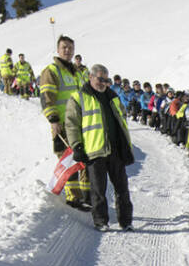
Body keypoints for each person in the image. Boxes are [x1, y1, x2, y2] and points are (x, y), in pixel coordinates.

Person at [63, 64, 134, 231]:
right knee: (98, 190)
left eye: (106, 80)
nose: (102, 83)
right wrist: (77, 146)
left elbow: (122, 116)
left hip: (115, 150)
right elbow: (71, 124)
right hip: (94, 151)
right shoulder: (79, 97)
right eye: (99, 79)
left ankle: (126, 221)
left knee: (122, 188)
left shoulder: (112, 96)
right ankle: (101, 221)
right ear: (90, 77)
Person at [39, 36, 88, 209]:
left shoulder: (76, 72)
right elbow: (46, 97)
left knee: (83, 158)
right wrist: (53, 120)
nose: (67, 50)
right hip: (63, 123)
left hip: (79, 123)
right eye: (64, 47)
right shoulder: (52, 71)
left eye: (70, 48)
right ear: (58, 50)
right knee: (69, 159)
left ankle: (85, 195)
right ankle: (72, 197)